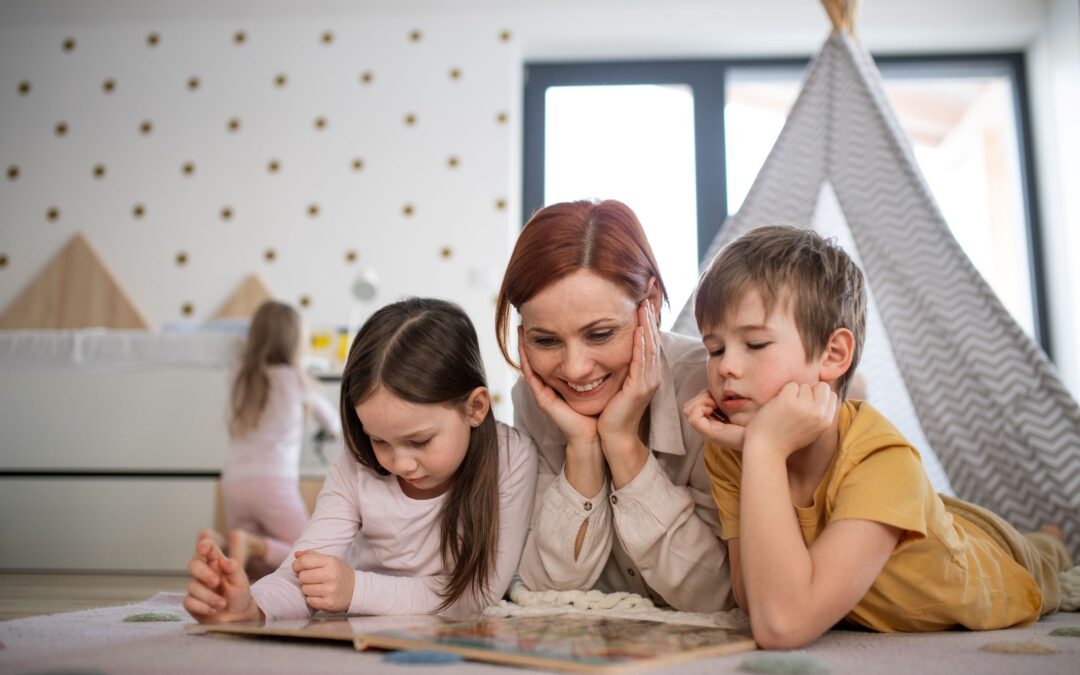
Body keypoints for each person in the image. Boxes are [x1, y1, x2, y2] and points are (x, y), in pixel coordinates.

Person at [683, 225, 1073, 649]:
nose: (726, 368)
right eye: (715, 349)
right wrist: (762, 453)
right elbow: (754, 601)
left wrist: (764, 449)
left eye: (755, 344)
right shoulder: (733, 454)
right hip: (909, 511)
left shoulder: (880, 460)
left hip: (991, 559)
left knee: (1045, 561)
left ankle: (1049, 541)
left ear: (833, 355)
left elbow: (781, 625)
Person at [184, 298, 538, 622]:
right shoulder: (357, 464)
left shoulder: (512, 458)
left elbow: (478, 595)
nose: (399, 463)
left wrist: (356, 590)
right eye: (379, 439)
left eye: (420, 441)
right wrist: (252, 606)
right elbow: (301, 573)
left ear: (475, 408)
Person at [495, 199, 732, 613]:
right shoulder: (535, 399)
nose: (575, 368)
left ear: (651, 303)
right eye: (545, 341)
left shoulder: (710, 385)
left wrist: (623, 445)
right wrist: (582, 450)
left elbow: (718, 595)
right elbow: (547, 589)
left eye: (601, 334)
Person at [199, 300, 341, 575]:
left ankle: (220, 544)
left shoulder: (239, 376)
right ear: (295, 342)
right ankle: (249, 546)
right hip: (273, 484)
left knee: (250, 565)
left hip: (234, 483)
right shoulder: (296, 380)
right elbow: (334, 424)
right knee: (310, 552)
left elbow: (236, 349)